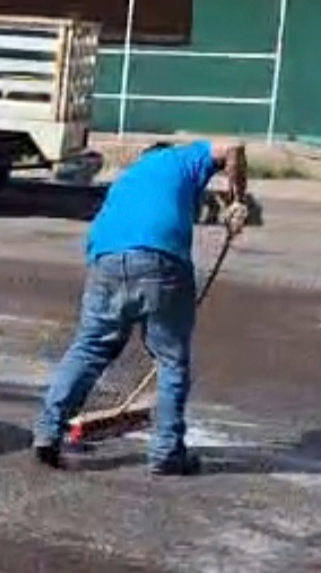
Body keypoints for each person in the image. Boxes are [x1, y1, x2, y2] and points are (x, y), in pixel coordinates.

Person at [33, 140, 249, 476]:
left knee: (89, 348)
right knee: (171, 360)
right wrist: (238, 200)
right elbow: (233, 148)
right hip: (160, 260)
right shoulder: (180, 157)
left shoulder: (127, 179)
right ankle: (166, 453)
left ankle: (48, 432)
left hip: (105, 260)